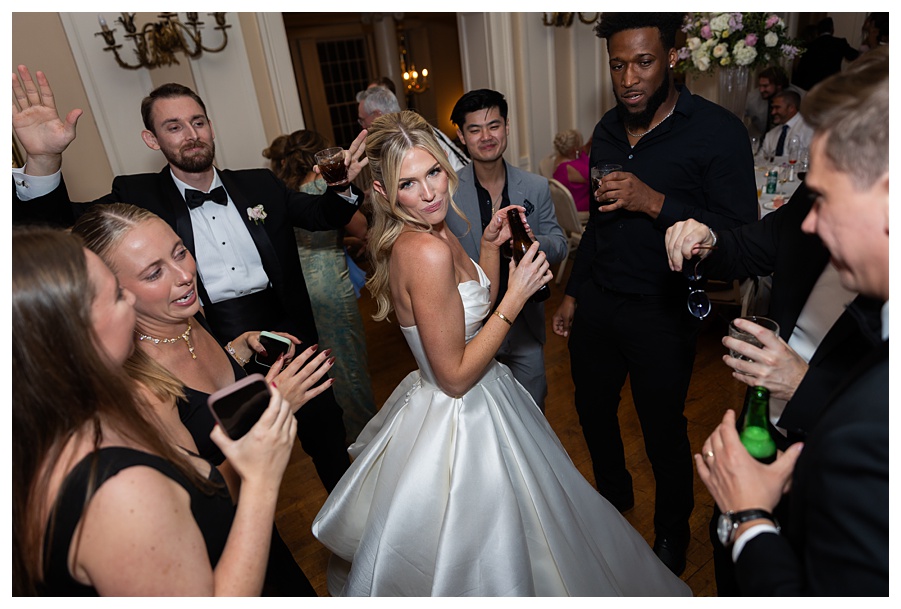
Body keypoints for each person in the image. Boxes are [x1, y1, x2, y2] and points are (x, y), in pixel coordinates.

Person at [311, 110, 691, 597]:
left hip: (485, 394)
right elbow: (454, 375)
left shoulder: (437, 230)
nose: (429, 193)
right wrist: (517, 295)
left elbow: (473, 309)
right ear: (384, 192)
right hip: (460, 416)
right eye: (408, 183)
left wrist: (489, 247)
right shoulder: (423, 250)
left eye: (433, 173)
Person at [11, 66, 359, 493]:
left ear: (210, 126)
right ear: (152, 139)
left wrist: (341, 185)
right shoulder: (136, 195)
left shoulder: (260, 184)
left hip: (285, 330)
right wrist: (44, 161)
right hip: (204, 338)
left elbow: (323, 215)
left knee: (328, 437)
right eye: (173, 127)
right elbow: (59, 228)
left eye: (197, 122)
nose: (191, 135)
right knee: (226, 464)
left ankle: (351, 522)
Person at [551, 13, 758, 576]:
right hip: (599, 301)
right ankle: (613, 500)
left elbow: (741, 238)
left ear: (671, 57)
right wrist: (573, 292)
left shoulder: (717, 131)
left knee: (661, 428)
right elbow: (598, 226)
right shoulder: (608, 129)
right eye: (617, 65)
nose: (629, 79)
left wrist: (654, 202)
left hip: (663, 308)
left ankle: (672, 531)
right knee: (592, 410)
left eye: (643, 62)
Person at [697, 47, 888, 596]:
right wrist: (706, 238)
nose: (811, 222)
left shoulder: (869, 428)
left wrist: (748, 521)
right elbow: (758, 241)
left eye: (826, 198)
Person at [13, 227, 296, 596]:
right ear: (74, 337)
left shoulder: (68, 427)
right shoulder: (118, 490)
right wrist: (259, 479)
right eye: (116, 295)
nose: (130, 298)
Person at [72, 203, 336, 595]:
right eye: (154, 272)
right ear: (113, 292)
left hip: (260, 533)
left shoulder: (185, 317)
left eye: (179, 252)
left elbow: (204, 399)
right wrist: (273, 410)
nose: (184, 275)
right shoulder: (141, 390)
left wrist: (237, 352)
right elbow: (199, 503)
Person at [664, 181, 880, 595]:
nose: (812, 221)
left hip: (836, 459)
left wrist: (803, 386)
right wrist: (708, 241)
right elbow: (749, 247)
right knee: (728, 545)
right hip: (763, 426)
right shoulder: (814, 195)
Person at [447, 89, 567, 412]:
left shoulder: (536, 186)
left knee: (533, 413)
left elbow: (560, 244)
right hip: (471, 333)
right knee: (482, 420)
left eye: (494, 126)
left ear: (507, 127)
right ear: (462, 136)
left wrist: (533, 241)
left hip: (525, 328)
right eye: (475, 129)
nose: (486, 137)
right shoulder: (447, 193)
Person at [263, 130, 378, 443]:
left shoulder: (285, 194)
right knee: (349, 368)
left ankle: (339, 442)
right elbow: (361, 228)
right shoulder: (324, 187)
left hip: (299, 294)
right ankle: (365, 443)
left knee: (319, 369)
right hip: (331, 290)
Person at [357, 85, 470, 171]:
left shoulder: (415, 136)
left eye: (363, 119)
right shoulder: (399, 136)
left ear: (377, 114)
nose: (363, 126)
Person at [792, 17, 860, 91]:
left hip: (812, 86)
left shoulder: (810, 45)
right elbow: (853, 56)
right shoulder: (839, 43)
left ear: (818, 31)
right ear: (832, 30)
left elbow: (802, 69)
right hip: (832, 84)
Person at [760, 90, 813, 159]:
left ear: (791, 108)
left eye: (777, 107)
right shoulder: (771, 135)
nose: (773, 112)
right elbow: (759, 160)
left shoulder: (809, 128)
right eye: (773, 108)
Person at [550, 128, 591, 213]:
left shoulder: (560, 158)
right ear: (575, 149)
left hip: (578, 198)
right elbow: (595, 178)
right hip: (579, 205)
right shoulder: (570, 168)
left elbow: (585, 150)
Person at [744, 65, 789, 140]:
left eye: (765, 86)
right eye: (760, 86)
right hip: (757, 139)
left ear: (779, 85)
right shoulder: (752, 98)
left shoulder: (797, 97)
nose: (761, 90)